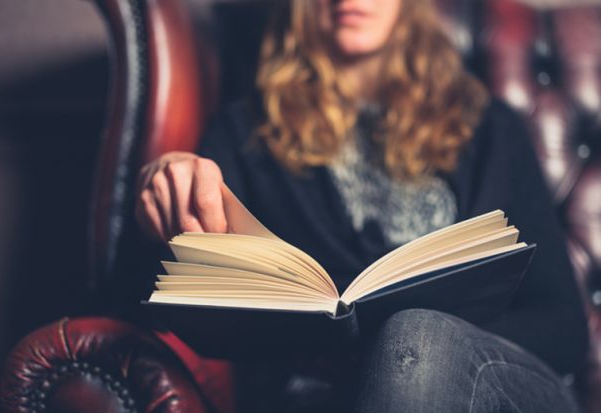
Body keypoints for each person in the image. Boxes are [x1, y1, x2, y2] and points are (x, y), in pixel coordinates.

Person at [134, 0, 589, 411]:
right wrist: (159, 188)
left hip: (500, 388)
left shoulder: (489, 127)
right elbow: (150, 303)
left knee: (417, 337)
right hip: (322, 399)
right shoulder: (245, 134)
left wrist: (404, 342)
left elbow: (564, 329)